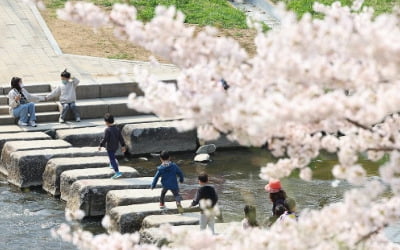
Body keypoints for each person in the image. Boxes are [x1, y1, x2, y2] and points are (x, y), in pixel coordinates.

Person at [98, 113, 126, 179]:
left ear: (107, 122)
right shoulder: (117, 129)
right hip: (115, 146)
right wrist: (123, 146)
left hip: (110, 147)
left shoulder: (107, 130)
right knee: (112, 156)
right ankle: (111, 165)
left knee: (112, 159)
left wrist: (100, 145)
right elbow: (121, 138)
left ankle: (117, 172)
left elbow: (105, 139)